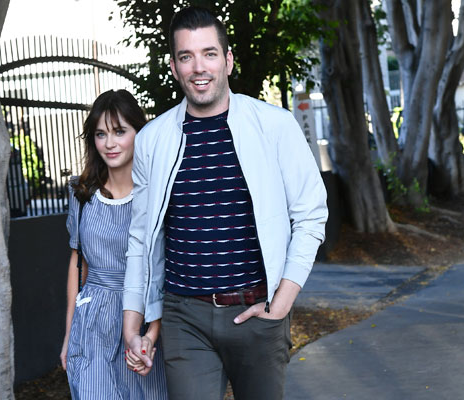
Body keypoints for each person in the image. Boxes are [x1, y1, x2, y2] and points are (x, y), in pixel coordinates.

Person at [122, 6, 328, 400]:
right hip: (184, 319)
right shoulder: (152, 139)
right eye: (186, 56)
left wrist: (281, 303)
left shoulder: (275, 126)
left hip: (257, 311)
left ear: (228, 60)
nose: (199, 67)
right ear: (174, 66)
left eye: (209, 53)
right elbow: (140, 238)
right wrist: (133, 324)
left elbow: (311, 215)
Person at [61, 89, 168, 399]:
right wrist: (68, 334)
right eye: (101, 134)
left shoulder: (156, 195)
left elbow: (164, 272)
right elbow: (77, 264)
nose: (109, 143)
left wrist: (152, 333)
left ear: (139, 133)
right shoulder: (81, 193)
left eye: (120, 131)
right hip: (92, 324)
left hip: (144, 319)